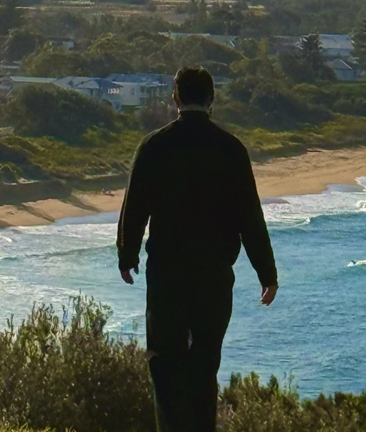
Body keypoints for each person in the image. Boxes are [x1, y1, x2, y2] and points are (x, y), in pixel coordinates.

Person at [117, 66, 277, 432]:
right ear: (212, 99)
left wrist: (127, 256)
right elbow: (250, 218)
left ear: (175, 98)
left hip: (167, 275)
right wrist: (267, 274)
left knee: (165, 363)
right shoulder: (231, 149)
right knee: (205, 366)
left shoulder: (154, 145)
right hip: (214, 276)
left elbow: (135, 206)